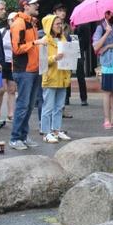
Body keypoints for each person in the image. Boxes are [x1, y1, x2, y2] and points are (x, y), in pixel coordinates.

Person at [10, 0, 44, 150]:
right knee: (23, 105)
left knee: (29, 106)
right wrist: (35, 42)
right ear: (25, 6)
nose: (37, 6)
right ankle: (15, 138)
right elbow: (17, 48)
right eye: (34, 4)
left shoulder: (31, 23)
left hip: (33, 69)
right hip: (24, 70)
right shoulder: (19, 23)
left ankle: (22, 136)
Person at [40, 14, 72, 143]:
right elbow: (41, 61)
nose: (60, 26)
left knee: (59, 107)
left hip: (62, 77)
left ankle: (56, 130)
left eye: (60, 23)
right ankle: (46, 132)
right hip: (51, 78)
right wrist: (55, 58)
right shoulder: (45, 40)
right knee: (48, 107)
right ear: (50, 26)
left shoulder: (63, 39)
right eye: (57, 24)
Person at [0, 13, 17, 122]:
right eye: (12, 20)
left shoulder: (18, 33)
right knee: (1, 89)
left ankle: (10, 113)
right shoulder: (2, 31)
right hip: (2, 64)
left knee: (12, 90)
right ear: (8, 21)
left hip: (13, 63)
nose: (15, 22)